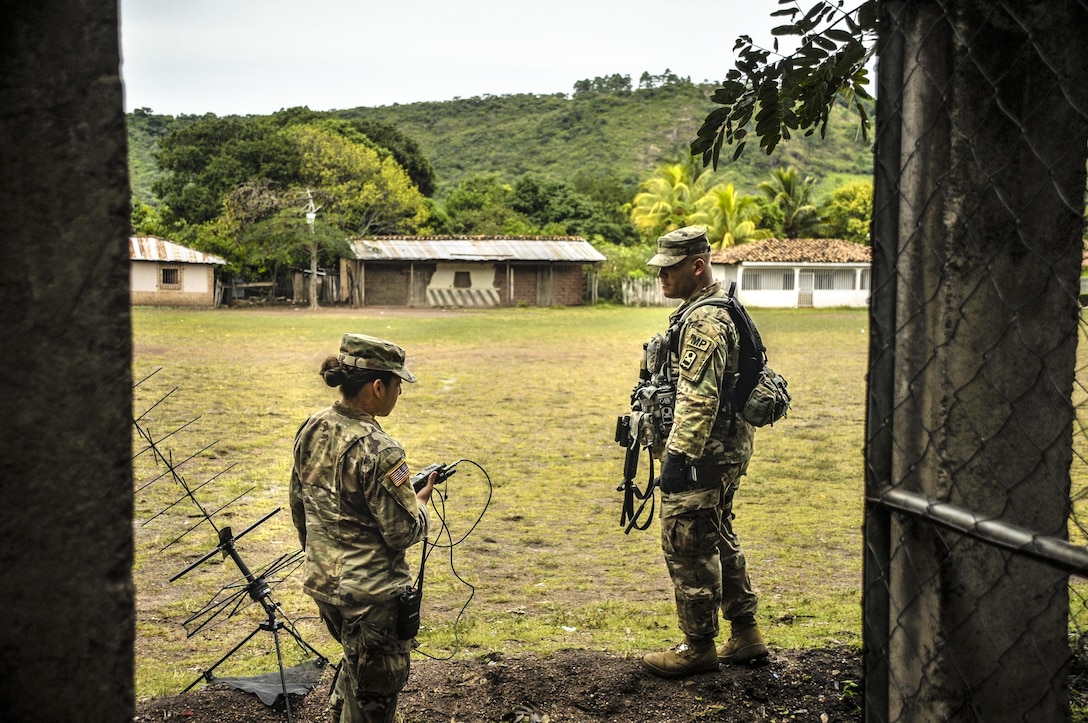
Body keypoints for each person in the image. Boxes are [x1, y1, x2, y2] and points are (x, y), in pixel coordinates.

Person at [639, 226, 769, 679]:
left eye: (670, 269)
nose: (662, 278)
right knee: (718, 534)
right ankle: (746, 633)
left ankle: (697, 646)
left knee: (687, 543)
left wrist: (678, 456)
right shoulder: (716, 309)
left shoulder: (703, 321)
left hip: (703, 456)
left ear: (697, 266)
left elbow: (699, 397)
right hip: (724, 451)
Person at [290, 333, 437, 723]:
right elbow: (402, 532)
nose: (399, 392)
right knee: (375, 697)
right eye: (397, 383)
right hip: (372, 598)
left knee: (357, 668)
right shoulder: (380, 450)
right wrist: (419, 505)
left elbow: (299, 505)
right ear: (377, 386)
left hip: (326, 584)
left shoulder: (312, 427)